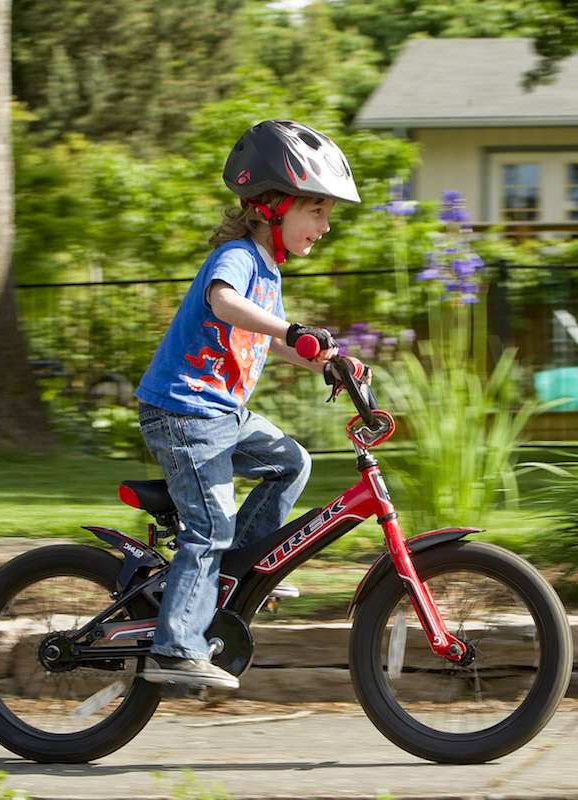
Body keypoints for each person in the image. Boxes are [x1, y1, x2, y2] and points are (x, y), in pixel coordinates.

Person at [133, 120, 369, 688]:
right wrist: (292, 331)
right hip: (184, 411)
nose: (325, 226)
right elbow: (223, 303)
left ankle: (234, 574)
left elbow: (265, 337)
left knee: (292, 460)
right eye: (316, 211)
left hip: (220, 415)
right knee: (208, 523)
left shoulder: (270, 274)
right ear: (273, 206)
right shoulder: (240, 257)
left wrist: (327, 361)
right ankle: (175, 648)